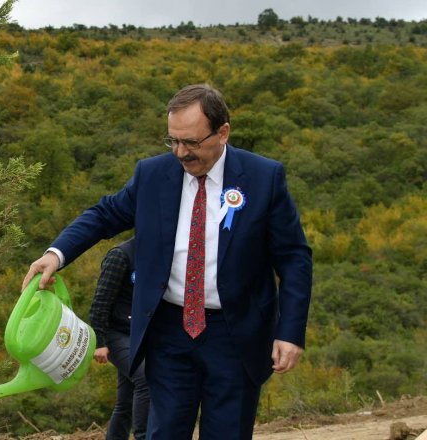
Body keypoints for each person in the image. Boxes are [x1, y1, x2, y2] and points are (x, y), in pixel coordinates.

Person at [22, 84, 312, 440]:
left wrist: (291, 331)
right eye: (173, 141)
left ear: (223, 132)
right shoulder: (152, 174)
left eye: (191, 142)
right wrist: (56, 254)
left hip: (236, 336)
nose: (180, 153)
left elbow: (294, 258)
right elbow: (105, 214)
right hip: (169, 332)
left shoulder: (264, 178)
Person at [89, 237, 150, 440]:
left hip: (139, 335)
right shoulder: (120, 255)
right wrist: (99, 341)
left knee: (126, 400)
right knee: (145, 377)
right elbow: (100, 301)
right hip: (115, 333)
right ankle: (143, 436)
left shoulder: (156, 253)